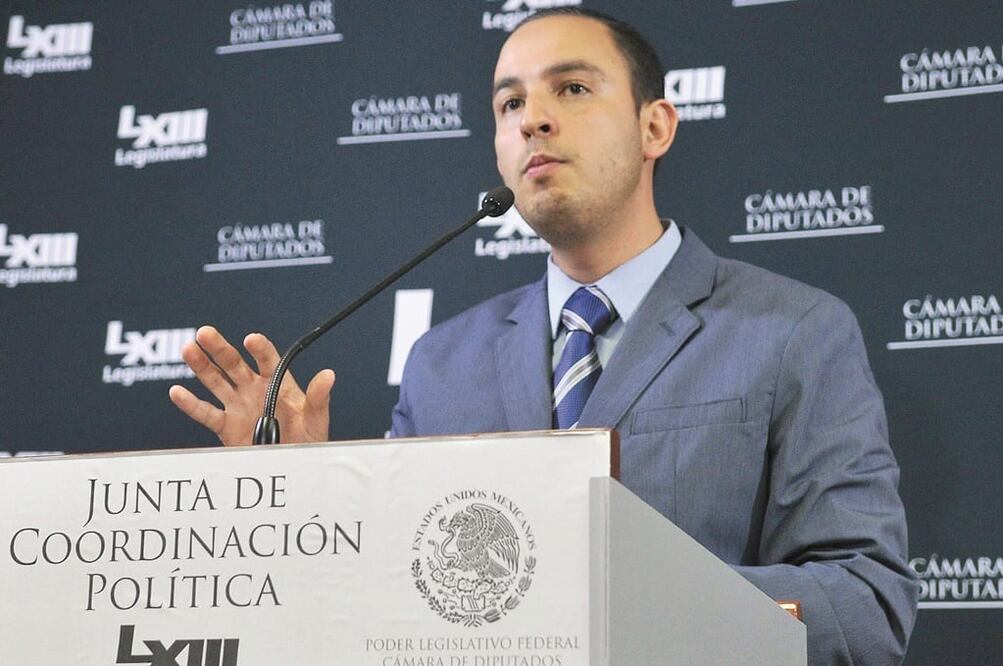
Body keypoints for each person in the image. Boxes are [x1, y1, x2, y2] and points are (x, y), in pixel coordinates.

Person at [170, 9, 918, 663]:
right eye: (508, 103)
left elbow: (862, 606)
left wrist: (599, 597)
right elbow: (389, 603)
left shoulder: (793, 330)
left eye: (572, 89)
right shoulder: (441, 364)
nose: (532, 119)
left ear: (654, 125)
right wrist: (312, 507)